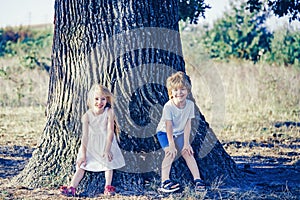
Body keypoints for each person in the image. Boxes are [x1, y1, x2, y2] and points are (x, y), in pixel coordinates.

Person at [60, 84, 125, 196]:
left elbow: (110, 131)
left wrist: (107, 149)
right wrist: (83, 154)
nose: (100, 102)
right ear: (91, 99)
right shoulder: (87, 115)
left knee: (108, 164)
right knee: (81, 166)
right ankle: (72, 187)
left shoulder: (109, 112)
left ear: (107, 99)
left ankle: (108, 187)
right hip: (90, 144)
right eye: (96, 99)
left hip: (106, 142)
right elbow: (85, 136)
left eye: (103, 99)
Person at [156, 71, 205, 193]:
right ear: (171, 93)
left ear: (188, 90)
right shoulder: (169, 107)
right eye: (175, 90)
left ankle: (197, 179)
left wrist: (186, 143)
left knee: (187, 152)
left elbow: (188, 125)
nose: (179, 93)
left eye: (182, 89)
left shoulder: (190, 105)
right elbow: (168, 126)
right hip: (165, 133)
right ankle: (164, 182)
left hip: (180, 132)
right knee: (170, 153)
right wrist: (171, 144)